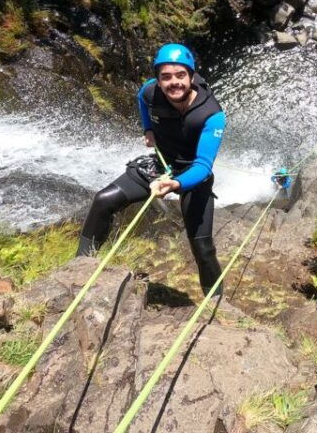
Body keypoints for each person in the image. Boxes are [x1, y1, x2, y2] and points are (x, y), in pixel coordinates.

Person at [77, 43, 227, 297]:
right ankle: (79, 269)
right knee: (103, 200)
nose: (173, 83)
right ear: (158, 79)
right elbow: (141, 98)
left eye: (180, 75)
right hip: (160, 164)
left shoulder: (211, 115)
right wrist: (148, 129)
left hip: (192, 173)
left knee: (202, 247)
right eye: (165, 77)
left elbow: (203, 165)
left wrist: (176, 184)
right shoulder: (150, 92)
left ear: (191, 76)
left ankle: (215, 301)